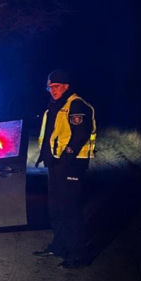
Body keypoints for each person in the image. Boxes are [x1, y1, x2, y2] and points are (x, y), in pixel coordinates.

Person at [34, 69, 97, 268]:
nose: (52, 90)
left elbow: (81, 134)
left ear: (66, 86)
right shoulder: (54, 106)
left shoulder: (76, 104)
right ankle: (60, 246)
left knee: (70, 210)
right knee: (56, 208)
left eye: (57, 86)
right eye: (50, 87)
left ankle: (78, 255)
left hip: (71, 165)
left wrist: (66, 157)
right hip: (56, 165)